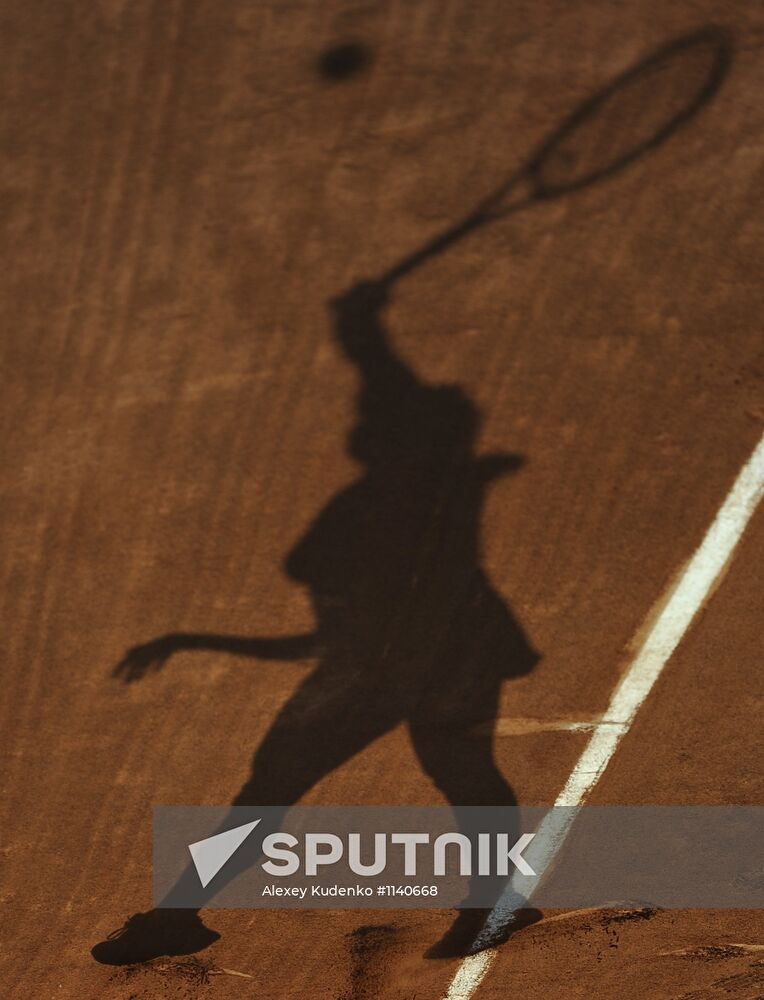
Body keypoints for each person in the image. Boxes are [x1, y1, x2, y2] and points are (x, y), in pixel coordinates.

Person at [92, 281, 539, 965]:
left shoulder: (373, 520)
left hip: (427, 658)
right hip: (446, 651)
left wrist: (360, 330)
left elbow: (314, 642)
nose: (362, 426)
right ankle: (178, 914)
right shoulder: (418, 488)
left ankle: (179, 913)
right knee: (458, 774)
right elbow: (389, 388)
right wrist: (360, 329)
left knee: (289, 790)